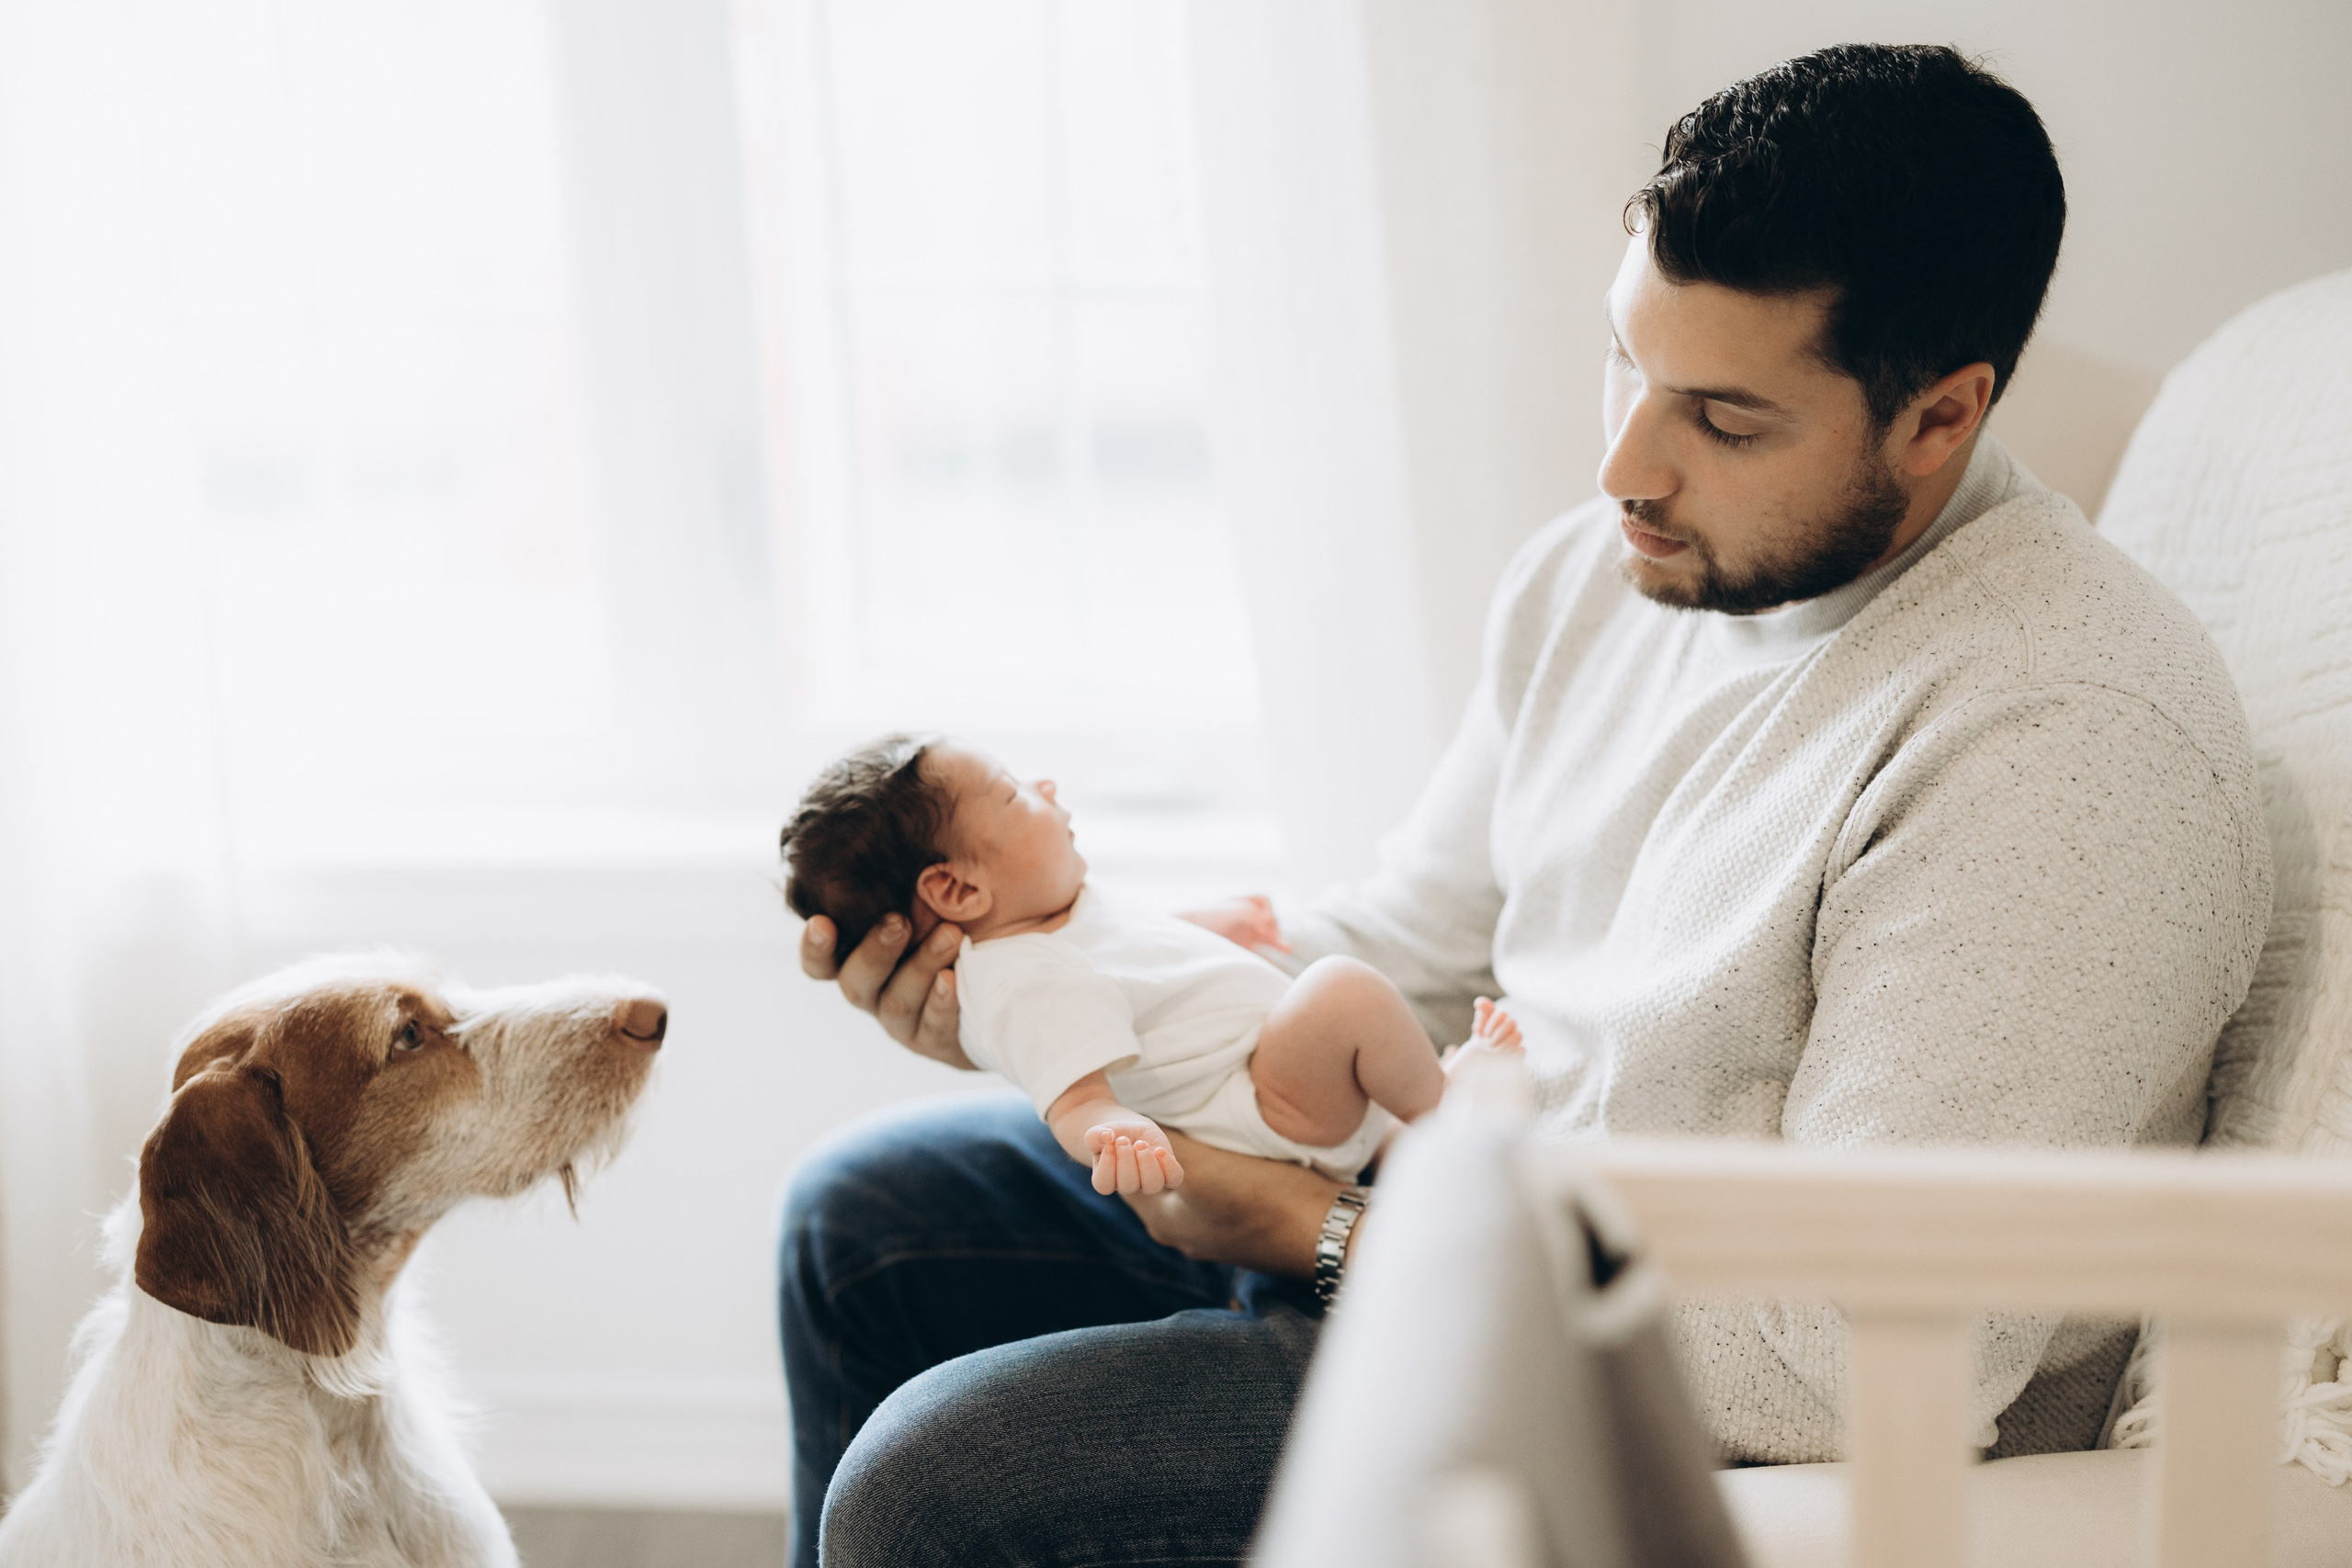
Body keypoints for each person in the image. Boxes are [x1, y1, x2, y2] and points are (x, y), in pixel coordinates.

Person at [781, 42, 2272, 1568]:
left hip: (1634, 1384)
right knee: (859, 1228)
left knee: (930, 1485)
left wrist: (1318, 1232)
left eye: (1725, 419)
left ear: (1940, 417)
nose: (1625, 465)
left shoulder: (2060, 740)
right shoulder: (1610, 574)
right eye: (1625, 359)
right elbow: (1420, 943)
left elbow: (1846, 1360)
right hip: (1436, 1195)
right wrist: (1047, 988)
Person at [775, 733, 1524, 1196]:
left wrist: (1208, 924)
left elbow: (1132, 957)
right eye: (1012, 793)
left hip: (1271, 1081)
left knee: (1358, 1065)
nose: (1045, 786)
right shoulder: (1027, 980)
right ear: (958, 889)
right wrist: (1112, 1131)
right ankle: (1452, 1110)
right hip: (1266, 1106)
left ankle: (1406, 1149)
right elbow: (1075, 1099)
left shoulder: (1051, 915)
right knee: (1343, 992)